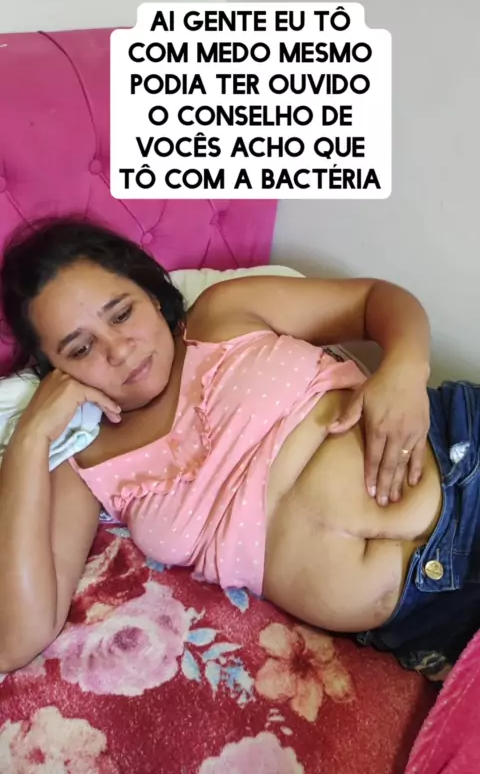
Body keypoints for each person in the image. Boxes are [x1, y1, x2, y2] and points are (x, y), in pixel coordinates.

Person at [0, 218, 478, 681]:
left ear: (150, 295)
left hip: (462, 460)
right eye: (80, 349)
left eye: (122, 313)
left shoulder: (223, 313)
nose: (119, 350)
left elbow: (374, 300)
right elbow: (15, 640)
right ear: (54, 372)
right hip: (428, 622)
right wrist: (29, 439)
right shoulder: (85, 463)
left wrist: (404, 368)